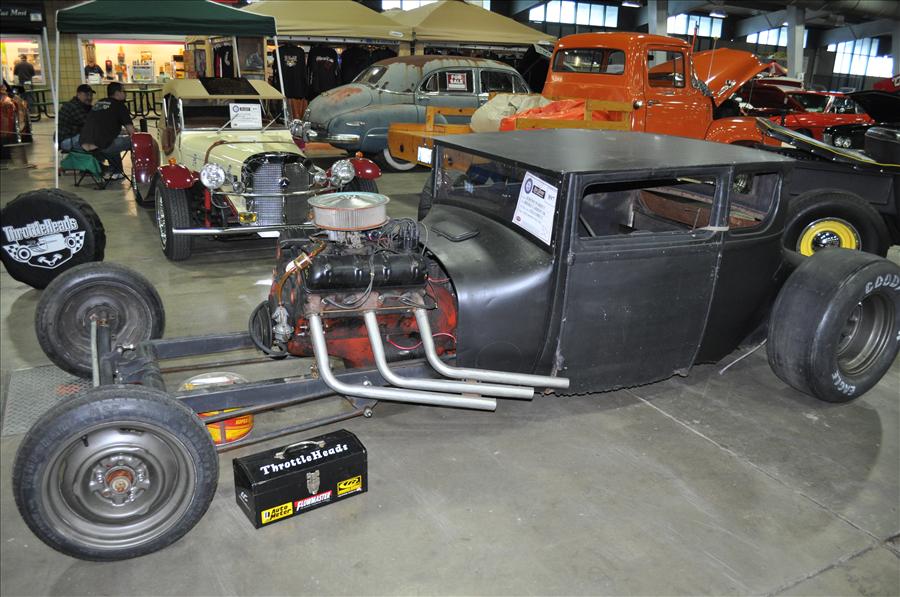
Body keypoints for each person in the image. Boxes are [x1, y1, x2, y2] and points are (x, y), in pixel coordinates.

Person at [80, 82, 134, 179]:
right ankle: (138, 172)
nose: (126, 94)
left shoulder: (99, 103)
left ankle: (116, 171)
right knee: (136, 141)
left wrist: (122, 132)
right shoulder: (120, 106)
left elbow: (104, 127)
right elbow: (132, 133)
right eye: (124, 91)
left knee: (113, 139)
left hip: (84, 145)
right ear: (117, 93)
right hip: (103, 147)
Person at [57, 84, 95, 151]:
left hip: (74, 137)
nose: (89, 98)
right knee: (97, 138)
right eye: (86, 95)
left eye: (91, 95)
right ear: (78, 94)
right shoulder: (73, 107)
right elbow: (89, 123)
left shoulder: (84, 106)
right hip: (66, 141)